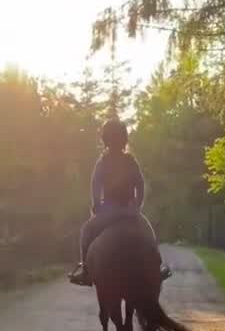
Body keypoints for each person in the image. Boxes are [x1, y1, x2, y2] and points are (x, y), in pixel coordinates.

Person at [67, 117, 172, 286]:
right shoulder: (130, 160)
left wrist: (96, 205)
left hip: (107, 211)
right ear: (124, 138)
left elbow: (95, 184)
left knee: (86, 231)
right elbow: (140, 184)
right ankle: (157, 267)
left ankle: (86, 271)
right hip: (128, 211)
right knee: (148, 232)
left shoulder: (103, 162)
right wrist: (137, 206)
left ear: (105, 139)